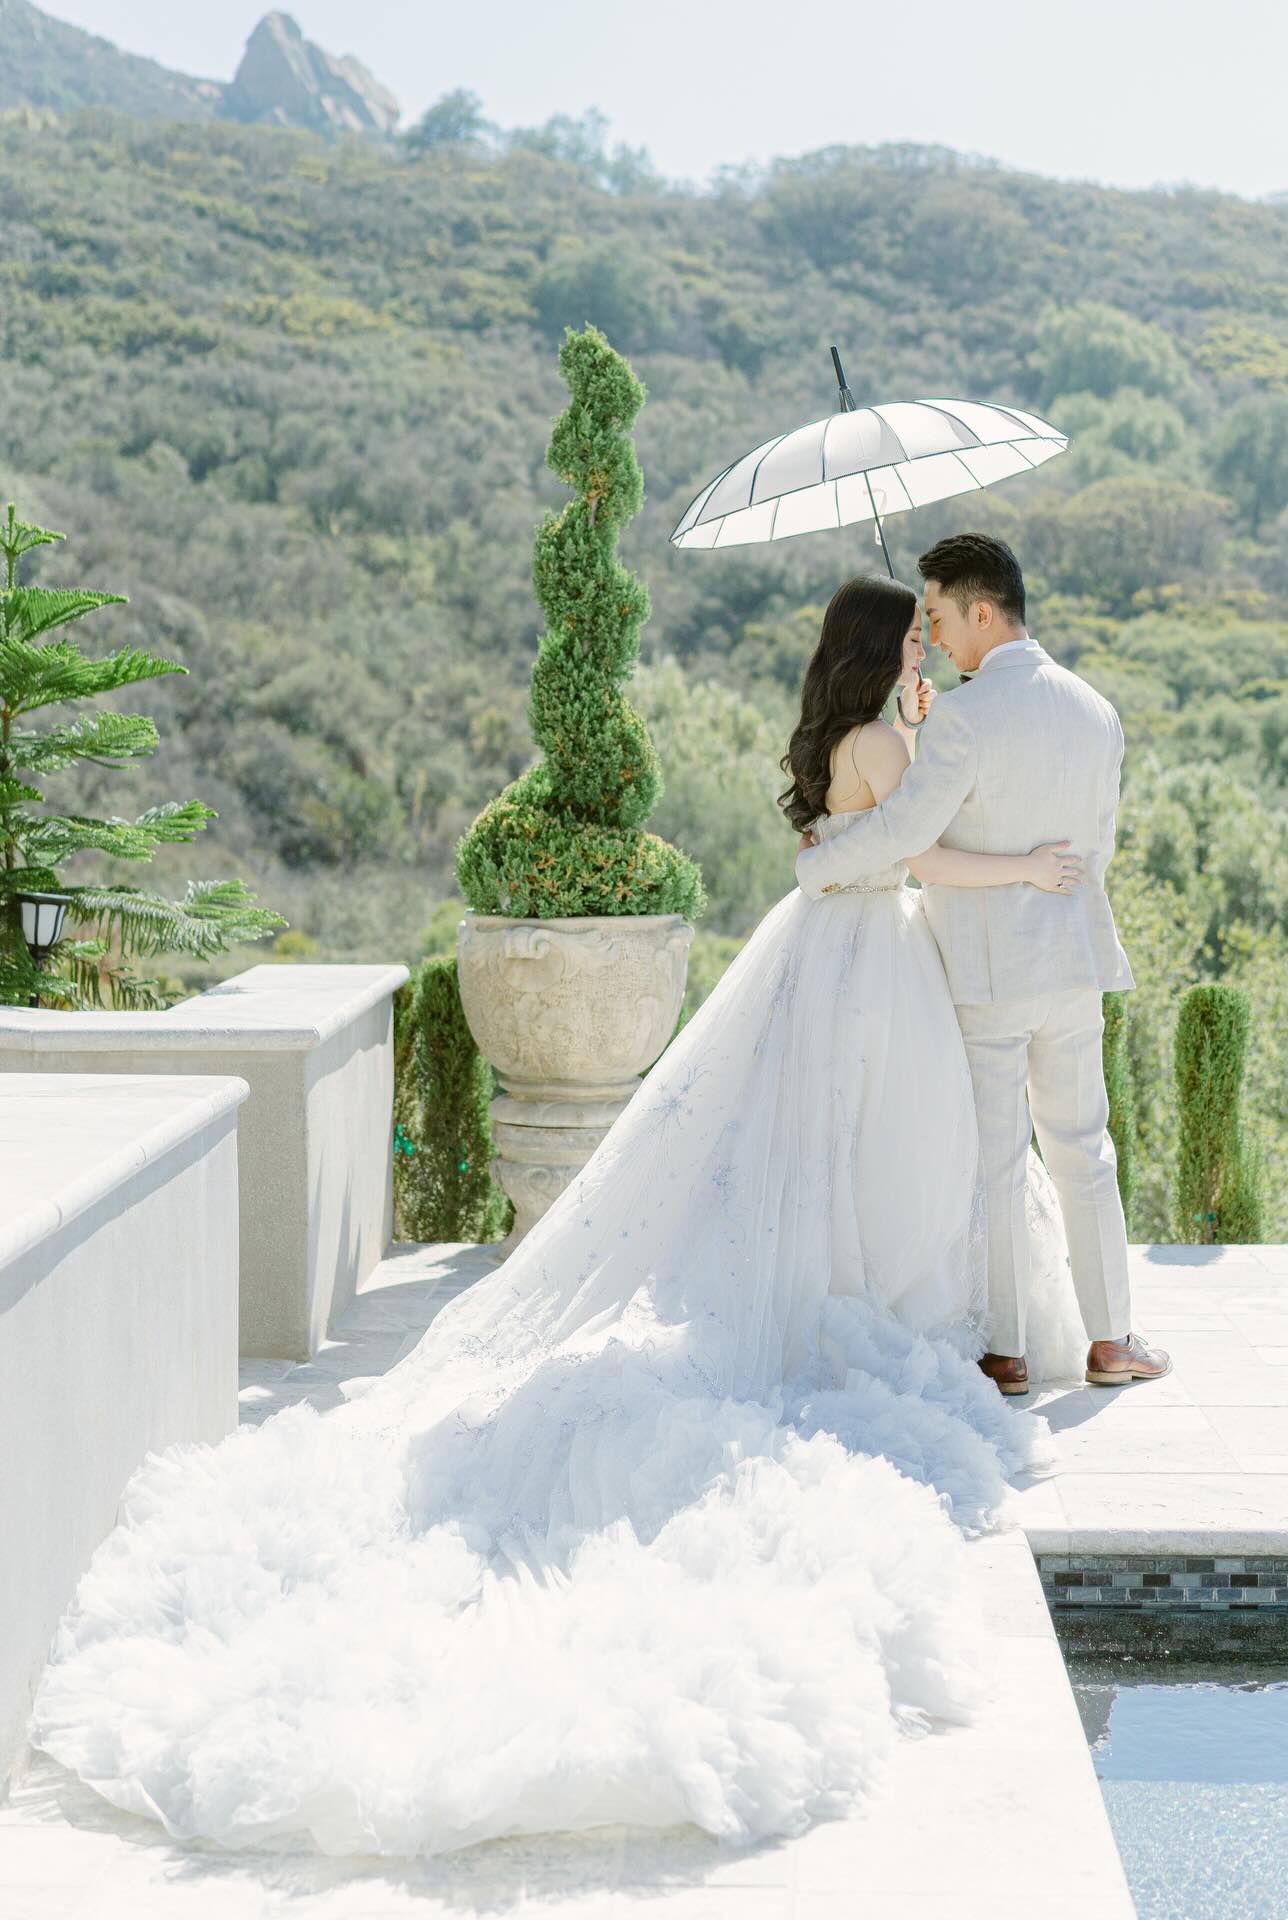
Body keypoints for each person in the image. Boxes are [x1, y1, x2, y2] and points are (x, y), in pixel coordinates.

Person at [27, 573, 1090, 1861]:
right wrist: (997, 826)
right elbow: (914, 847)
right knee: (896, 1151)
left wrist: (904, 734)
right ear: (885, 651)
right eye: (914, 633)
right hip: (878, 964)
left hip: (827, 954)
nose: (928, 641)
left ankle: (861, 1292)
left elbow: (847, 835)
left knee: (809, 1157)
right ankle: (899, 1308)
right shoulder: (887, 741)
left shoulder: (838, 737)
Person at [796, 533, 1171, 1399]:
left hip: (985, 971)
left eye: (939, 615)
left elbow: (905, 834)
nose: (936, 635)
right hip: (1072, 961)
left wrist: (819, 863)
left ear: (983, 611)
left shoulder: (962, 717)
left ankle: (1004, 1352)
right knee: (1086, 1148)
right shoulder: (1096, 709)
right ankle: (1112, 1339)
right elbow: (1100, 846)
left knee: (999, 1159)